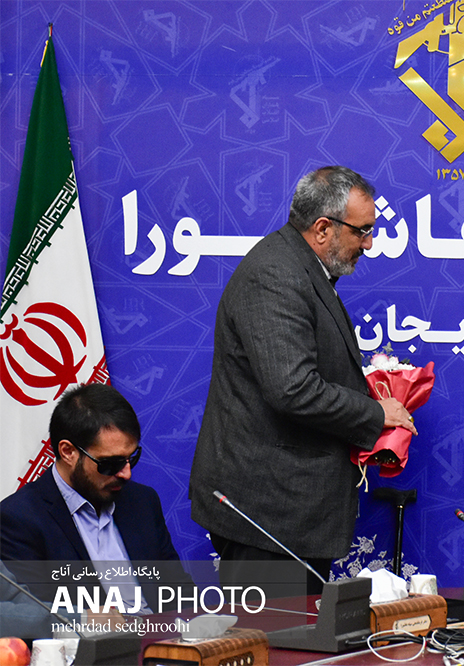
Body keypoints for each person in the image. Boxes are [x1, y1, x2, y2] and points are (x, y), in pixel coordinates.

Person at [188, 166, 416, 596]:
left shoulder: (302, 268)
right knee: (273, 634)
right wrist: (374, 413)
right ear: (323, 228)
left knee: (300, 631)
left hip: (291, 514)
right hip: (268, 515)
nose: (369, 244)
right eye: (363, 231)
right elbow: (292, 389)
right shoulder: (275, 275)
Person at [0, 383, 191, 611]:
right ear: (68, 452)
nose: (126, 474)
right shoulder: (18, 519)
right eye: (110, 463)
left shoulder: (143, 501)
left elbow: (179, 591)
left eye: (132, 458)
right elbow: (40, 616)